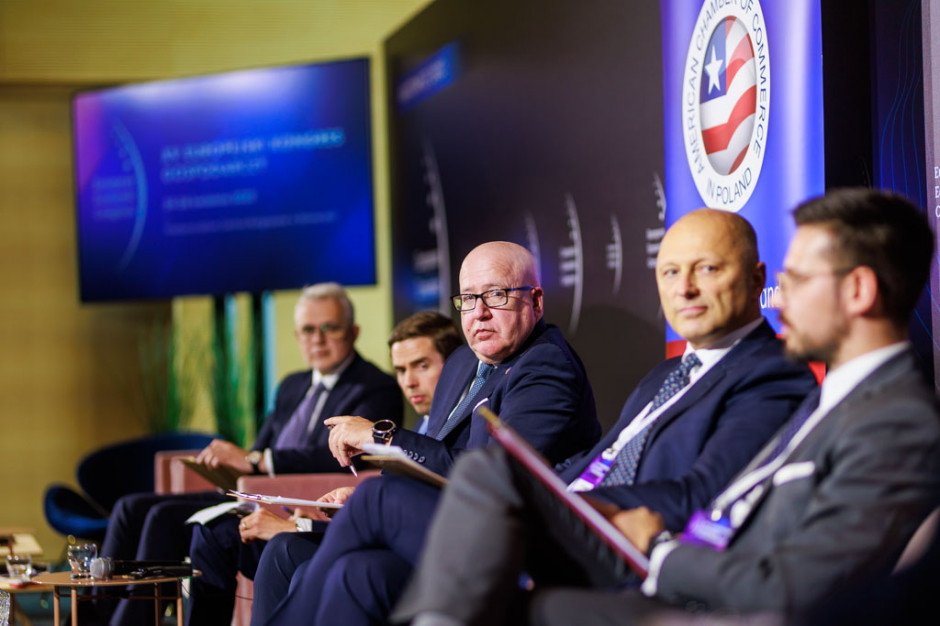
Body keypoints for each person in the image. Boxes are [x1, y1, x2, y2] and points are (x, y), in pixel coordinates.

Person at [398, 188, 940, 626]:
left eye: (795, 280)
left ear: (858, 290)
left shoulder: (892, 420)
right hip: (667, 565)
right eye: (669, 273)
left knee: (484, 492)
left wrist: (659, 549)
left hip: (698, 594)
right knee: (444, 568)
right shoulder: (837, 396)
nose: (780, 296)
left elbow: (798, 586)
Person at [259, 209, 819, 626]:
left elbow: (701, 494)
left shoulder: (773, 375)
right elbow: (599, 458)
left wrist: (559, 502)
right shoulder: (664, 374)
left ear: (757, 278)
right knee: (358, 574)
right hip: (563, 520)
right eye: (670, 272)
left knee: (384, 498)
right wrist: (550, 491)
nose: (685, 288)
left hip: (615, 546)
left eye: (707, 269)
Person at [250, 240, 606, 623]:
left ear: (535, 301)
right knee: (288, 553)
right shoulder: (462, 361)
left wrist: (381, 437)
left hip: (504, 542)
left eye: (496, 295)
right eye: (468, 299)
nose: (479, 313)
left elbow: (489, 476)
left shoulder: (545, 366)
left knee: (371, 509)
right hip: (441, 526)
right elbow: (432, 459)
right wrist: (366, 504)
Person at [98, 282, 403, 626]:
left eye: (329, 328)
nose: (317, 339)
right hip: (251, 489)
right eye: (307, 330)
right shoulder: (292, 385)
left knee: (163, 518)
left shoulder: (376, 386)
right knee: (130, 508)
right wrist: (237, 462)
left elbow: (347, 456)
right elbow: (258, 449)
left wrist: (259, 461)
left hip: (288, 498)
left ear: (353, 332)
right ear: (297, 336)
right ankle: (93, 616)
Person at [185, 311, 462, 625]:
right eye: (401, 369)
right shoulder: (420, 428)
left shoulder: (396, 408)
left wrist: (301, 526)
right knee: (196, 524)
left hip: (416, 552)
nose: (409, 382)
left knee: (283, 548)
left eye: (421, 366)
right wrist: (344, 504)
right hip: (348, 526)